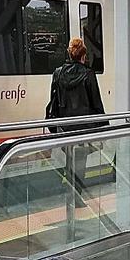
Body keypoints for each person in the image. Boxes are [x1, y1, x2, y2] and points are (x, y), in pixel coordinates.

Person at [45, 37, 106, 208]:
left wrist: (54, 125)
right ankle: (76, 196)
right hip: (83, 128)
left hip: (65, 127)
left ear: (70, 54)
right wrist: (104, 128)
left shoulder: (57, 73)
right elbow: (96, 102)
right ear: (83, 56)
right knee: (80, 163)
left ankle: (70, 194)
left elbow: (53, 100)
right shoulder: (88, 74)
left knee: (69, 160)